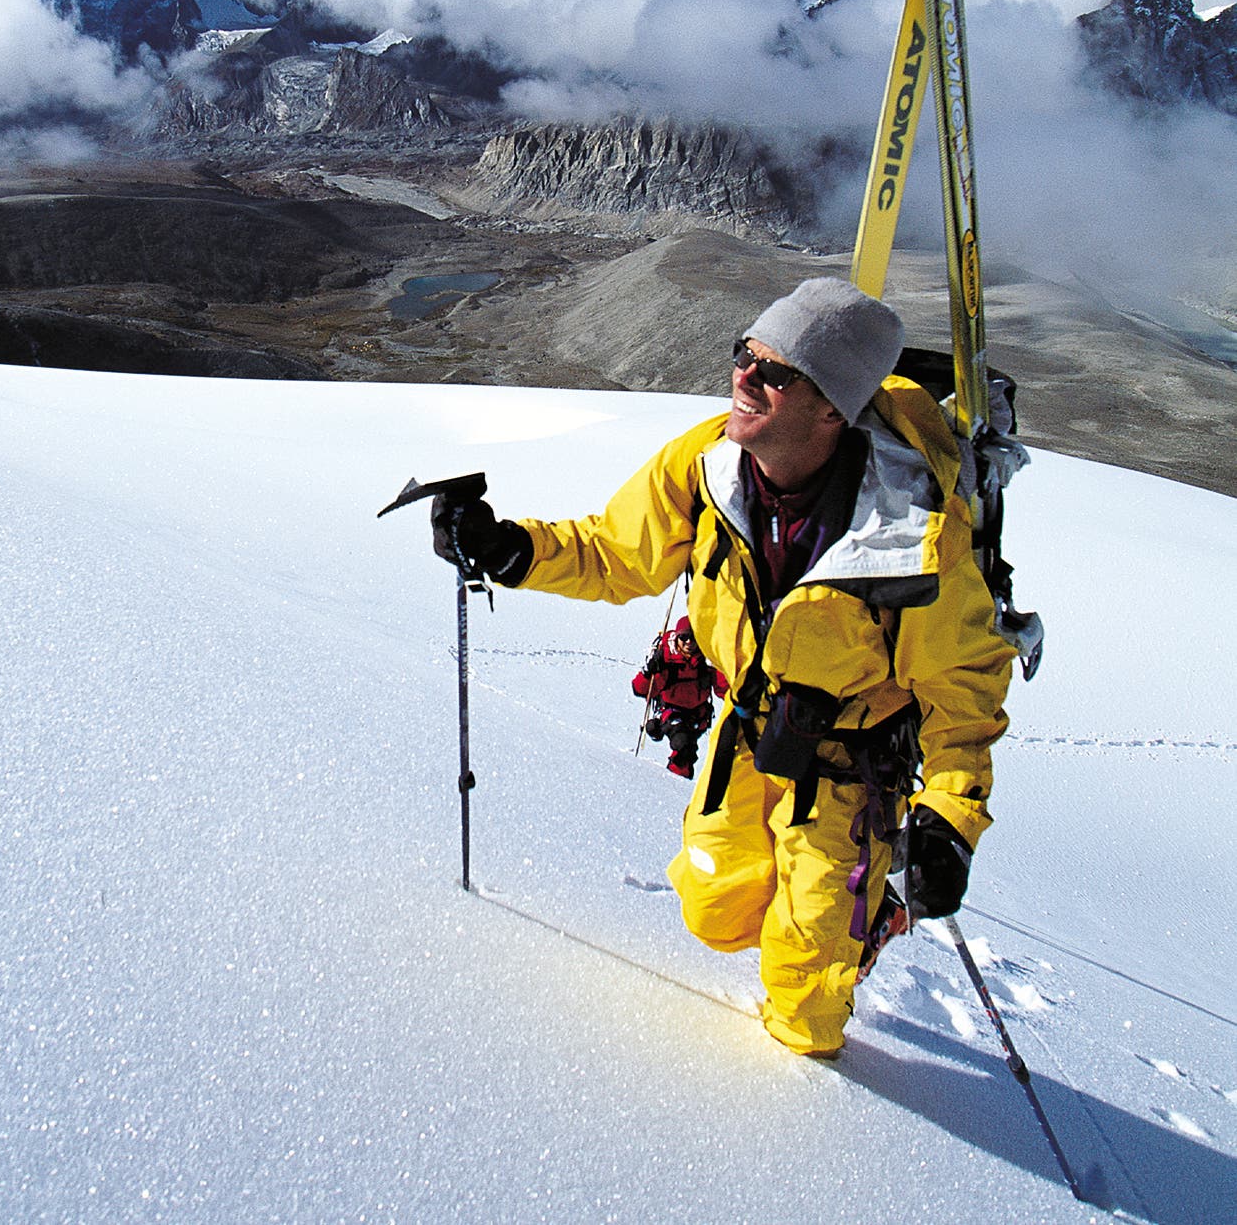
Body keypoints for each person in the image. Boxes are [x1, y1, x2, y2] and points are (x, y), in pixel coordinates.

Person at [429, 277, 1016, 1058]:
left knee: (805, 999)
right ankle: (838, 918)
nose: (744, 376)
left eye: (777, 372)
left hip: (848, 773)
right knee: (715, 910)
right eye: (746, 353)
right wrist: (510, 549)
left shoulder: (913, 537)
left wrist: (948, 820)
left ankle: (849, 955)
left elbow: (964, 694)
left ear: (831, 411)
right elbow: (618, 551)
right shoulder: (708, 464)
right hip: (748, 740)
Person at [633, 616, 728, 779]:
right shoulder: (665, 659)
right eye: (684, 637)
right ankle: (673, 783)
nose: (689, 642)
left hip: (698, 716)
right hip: (671, 712)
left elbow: (724, 688)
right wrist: (648, 672)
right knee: (683, 745)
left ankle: (678, 782)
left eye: (693, 637)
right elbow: (641, 690)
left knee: (687, 751)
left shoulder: (706, 660)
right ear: (677, 638)